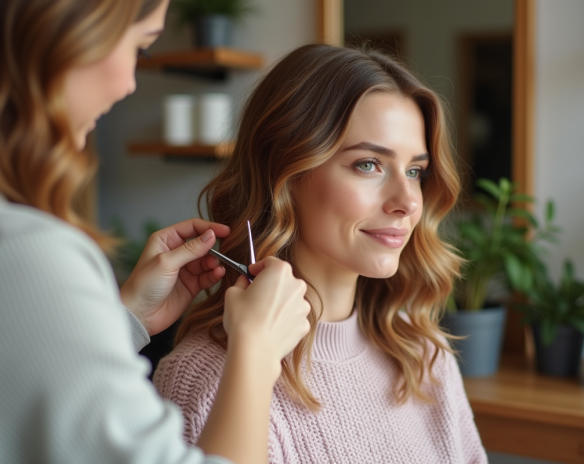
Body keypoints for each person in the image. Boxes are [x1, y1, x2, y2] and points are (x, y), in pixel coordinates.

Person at [0, 1, 310, 463]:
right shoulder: (21, 252)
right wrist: (257, 351)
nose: (131, 84)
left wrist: (126, 318)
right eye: (141, 47)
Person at [154, 44, 488, 463]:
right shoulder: (204, 374)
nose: (408, 201)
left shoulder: (423, 353)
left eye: (415, 171)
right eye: (368, 164)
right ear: (287, 175)